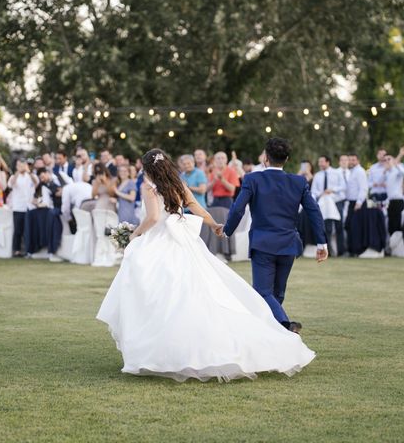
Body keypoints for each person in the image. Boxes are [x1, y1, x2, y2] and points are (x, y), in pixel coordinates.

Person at [97, 148, 316, 382]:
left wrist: (135, 234)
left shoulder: (148, 187)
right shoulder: (177, 184)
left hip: (160, 241)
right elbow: (197, 207)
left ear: (148, 168)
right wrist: (213, 225)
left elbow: (151, 218)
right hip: (183, 242)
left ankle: (163, 348)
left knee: (155, 292)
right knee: (194, 292)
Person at [224, 137, 327, 334]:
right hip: (288, 244)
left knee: (263, 292)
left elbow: (238, 209)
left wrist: (227, 231)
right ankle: (274, 335)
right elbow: (314, 211)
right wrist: (322, 242)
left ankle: (285, 326)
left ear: (265, 159)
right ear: (287, 159)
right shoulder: (299, 181)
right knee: (277, 294)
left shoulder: (252, 179)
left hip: (263, 244)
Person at [311, 155, 346, 256]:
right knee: (327, 228)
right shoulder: (317, 175)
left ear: (327, 162)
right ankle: (328, 252)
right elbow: (314, 191)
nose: (319, 164)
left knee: (339, 227)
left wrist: (332, 189)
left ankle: (341, 252)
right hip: (324, 203)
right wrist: (320, 194)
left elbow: (343, 186)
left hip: (336, 201)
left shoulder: (337, 173)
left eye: (321, 162)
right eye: (319, 162)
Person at [8, 159, 38, 257]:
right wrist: (18, 172)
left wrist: (28, 171)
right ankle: (16, 250)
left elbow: (36, 182)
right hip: (18, 207)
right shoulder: (14, 176)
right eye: (19, 165)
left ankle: (28, 250)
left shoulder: (30, 176)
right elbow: (11, 184)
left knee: (27, 230)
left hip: (29, 206)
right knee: (17, 230)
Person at [344, 153, 368, 254]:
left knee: (356, 227)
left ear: (358, 161)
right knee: (349, 225)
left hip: (358, 203)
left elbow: (363, 188)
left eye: (353, 160)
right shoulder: (351, 172)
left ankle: (357, 250)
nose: (351, 162)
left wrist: (359, 202)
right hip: (351, 202)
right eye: (350, 160)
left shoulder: (360, 171)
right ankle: (351, 249)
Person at [384, 149, 404, 235]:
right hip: (390, 202)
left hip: (398, 201)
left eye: (389, 159)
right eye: (385, 160)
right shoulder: (387, 173)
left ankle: (398, 245)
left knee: (397, 225)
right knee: (390, 226)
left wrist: (396, 165)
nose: (387, 161)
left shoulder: (397, 170)